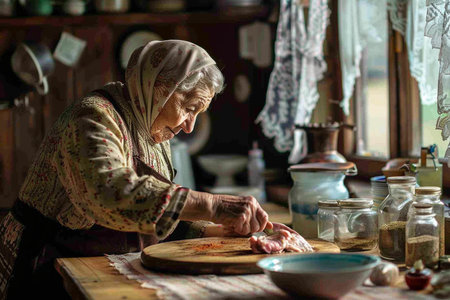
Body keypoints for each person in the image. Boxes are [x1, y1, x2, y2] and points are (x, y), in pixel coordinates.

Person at [0, 40, 273, 299]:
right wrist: (213, 206)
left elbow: (156, 217)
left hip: (96, 262)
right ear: (160, 87)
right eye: (189, 109)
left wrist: (217, 231)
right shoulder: (94, 116)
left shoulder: (153, 129)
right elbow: (111, 191)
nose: (189, 127)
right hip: (46, 262)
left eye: (198, 114)